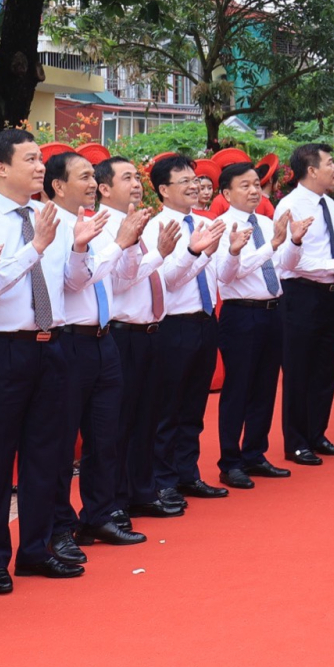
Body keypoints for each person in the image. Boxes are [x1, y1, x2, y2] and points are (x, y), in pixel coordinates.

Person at [0, 130, 80, 592]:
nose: (40, 166)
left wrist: (80, 248)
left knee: (47, 454)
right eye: (30, 158)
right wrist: (36, 248)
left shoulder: (54, 219)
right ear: (0, 168)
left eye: (41, 157)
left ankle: (35, 550)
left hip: (52, 344)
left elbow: (72, 282)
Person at [43, 151, 150, 554]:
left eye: (93, 177)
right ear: (58, 185)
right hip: (69, 339)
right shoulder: (51, 226)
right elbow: (77, 282)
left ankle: (100, 515)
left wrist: (131, 243)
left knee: (105, 435)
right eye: (85, 177)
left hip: (103, 338)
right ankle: (59, 525)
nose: (92, 184)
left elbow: (121, 277)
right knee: (61, 439)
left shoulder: (94, 222)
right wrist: (117, 244)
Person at [94, 155, 179, 522]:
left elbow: (136, 275)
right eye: (126, 177)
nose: (135, 184)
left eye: (136, 176)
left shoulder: (134, 223)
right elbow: (114, 281)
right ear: (104, 188)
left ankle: (141, 491)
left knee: (146, 417)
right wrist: (149, 252)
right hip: (121, 333)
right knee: (120, 423)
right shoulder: (100, 226)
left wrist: (159, 253)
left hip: (148, 332)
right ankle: (115, 500)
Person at [143, 155, 229, 502]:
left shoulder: (205, 223)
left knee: (194, 406)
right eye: (185, 181)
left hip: (205, 321)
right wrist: (195, 253)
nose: (195, 186)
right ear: (163, 190)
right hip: (173, 326)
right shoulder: (157, 229)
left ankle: (187, 474)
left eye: (196, 179)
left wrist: (222, 252)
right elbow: (167, 282)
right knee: (168, 408)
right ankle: (162, 480)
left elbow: (217, 274)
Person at [272, 143, 334, 463]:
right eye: (330, 163)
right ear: (311, 170)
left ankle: (316, 434)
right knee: (299, 371)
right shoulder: (290, 205)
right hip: (300, 296)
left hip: (329, 296)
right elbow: (288, 261)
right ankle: (295, 442)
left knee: (325, 371)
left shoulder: (329, 203)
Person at [209, 162, 293, 486]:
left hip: (273, 310)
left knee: (265, 386)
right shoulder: (221, 226)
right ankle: (230, 462)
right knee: (238, 389)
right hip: (241, 314)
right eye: (244, 185)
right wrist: (269, 247)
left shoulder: (268, 223)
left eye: (257, 184)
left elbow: (284, 265)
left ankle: (255, 453)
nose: (254, 190)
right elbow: (227, 275)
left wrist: (292, 242)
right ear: (226, 192)